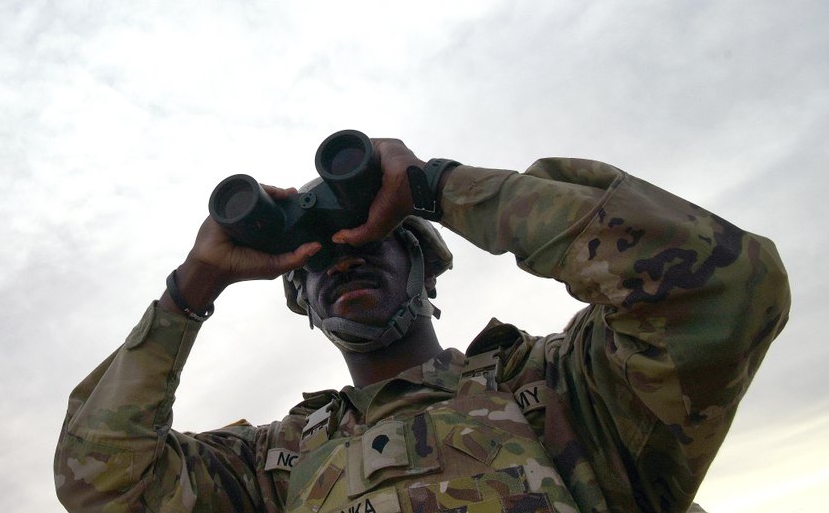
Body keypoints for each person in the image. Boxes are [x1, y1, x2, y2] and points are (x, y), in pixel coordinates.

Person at [55, 138, 789, 513]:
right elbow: (103, 482)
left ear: (427, 271)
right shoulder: (269, 470)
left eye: (371, 240)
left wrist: (436, 186)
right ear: (302, 304)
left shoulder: (570, 393)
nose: (345, 263)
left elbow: (722, 282)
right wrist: (192, 290)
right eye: (314, 262)